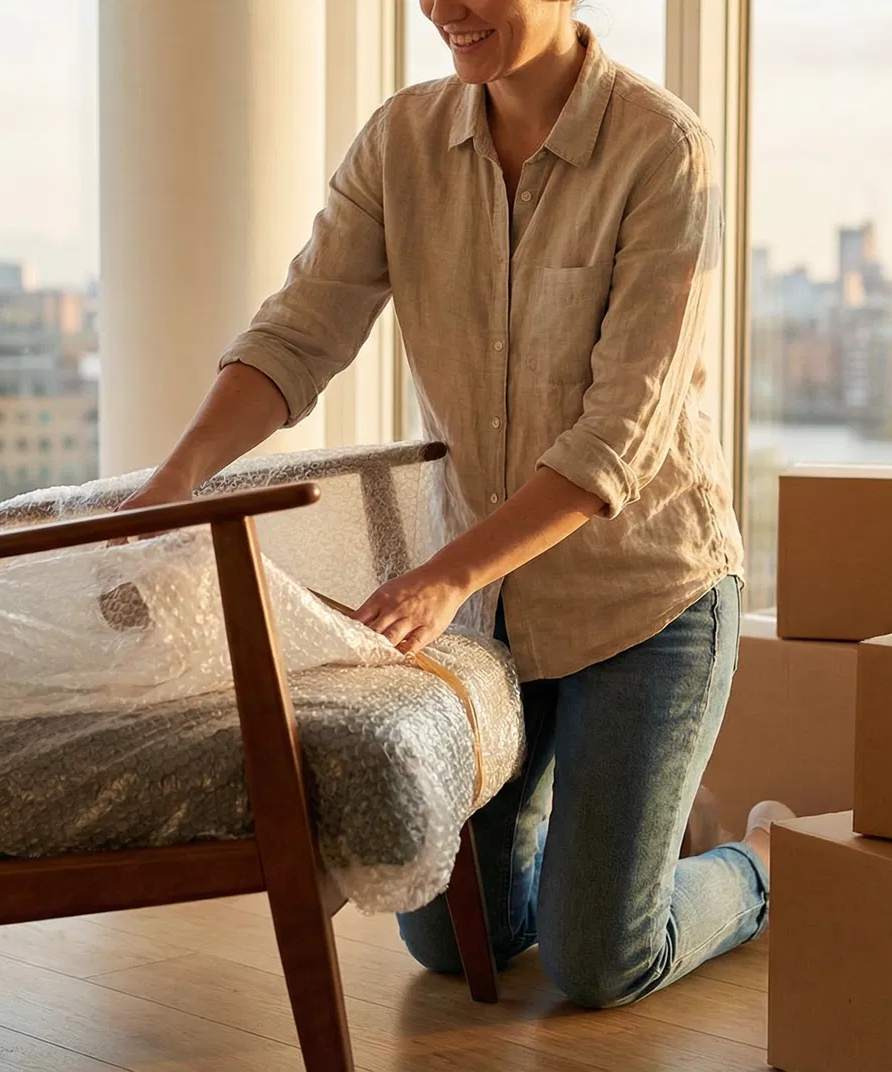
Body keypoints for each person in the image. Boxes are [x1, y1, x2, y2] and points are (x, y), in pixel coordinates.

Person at [121, 0, 783, 1008]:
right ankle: (613, 849)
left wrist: (442, 578)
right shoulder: (401, 141)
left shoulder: (663, 151)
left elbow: (615, 439)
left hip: (644, 600)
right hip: (492, 613)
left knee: (599, 963)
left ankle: (763, 861)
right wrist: (176, 481)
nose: (443, 8)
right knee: (448, 936)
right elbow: (299, 335)